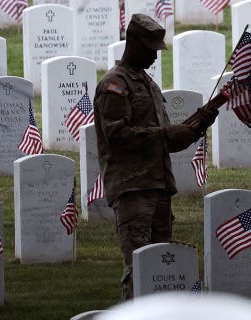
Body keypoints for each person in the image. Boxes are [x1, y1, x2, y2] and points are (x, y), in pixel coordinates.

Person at [93, 13, 218, 300]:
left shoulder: (148, 84)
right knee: (139, 268)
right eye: (150, 48)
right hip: (133, 188)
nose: (155, 56)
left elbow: (166, 141)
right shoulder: (116, 84)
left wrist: (199, 123)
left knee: (164, 270)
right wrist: (164, 134)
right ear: (132, 42)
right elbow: (117, 136)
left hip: (159, 186)